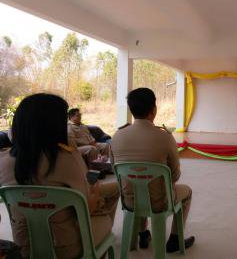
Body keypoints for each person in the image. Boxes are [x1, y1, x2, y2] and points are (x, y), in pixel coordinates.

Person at [0, 93, 120, 258]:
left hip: (24, 247)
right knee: (111, 192)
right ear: (54, 125)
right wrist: (95, 192)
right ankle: (97, 250)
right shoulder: (66, 158)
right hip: (66, 248)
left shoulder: (3, 160)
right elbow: (87, 207)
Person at [111, 88, 195, 253]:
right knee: (187, 192)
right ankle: (175, 240)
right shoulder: (164, 137)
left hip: (129, 201)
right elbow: (175, 175)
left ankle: (143, 234)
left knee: (137, 183)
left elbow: (116, 172)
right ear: (153, 109)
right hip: (160, 202)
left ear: (131, 109)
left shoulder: (117, 136)